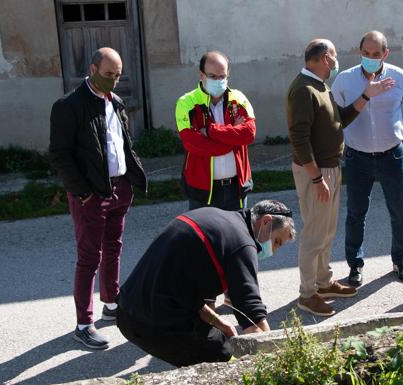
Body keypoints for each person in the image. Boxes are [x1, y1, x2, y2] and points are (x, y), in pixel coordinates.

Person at [286, 38, 394, 316]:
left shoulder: (321, 86)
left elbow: (339, 121)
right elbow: (299, 139)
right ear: (323, 58)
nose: (336, 61)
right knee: (314, 234)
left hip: (329, 168)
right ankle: (307, 294)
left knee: (326, 230)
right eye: (333, 56)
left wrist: (367, 95)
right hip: (317, 172)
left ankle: (323, 282)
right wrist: (315, 178)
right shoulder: (303, 89)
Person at [116, 200, 296, 366]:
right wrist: (277, 363)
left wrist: (218, 322)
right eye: (277, 242)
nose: (273, 250)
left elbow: (178, 285)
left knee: (215, 342)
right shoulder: (242, 244)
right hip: (152, 321)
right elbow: (252, 314)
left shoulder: (213, 217)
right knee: (225, 356)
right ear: (266, 221)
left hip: (126, 311)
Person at [49, 47, 147, 349]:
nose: (114, 82)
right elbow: (60, 155)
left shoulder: (115, 102)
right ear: (92, 69)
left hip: (119, 188)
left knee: (113, 247)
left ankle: (112, 303)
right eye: (108, 75)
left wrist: (130, 178)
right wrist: (83, 192)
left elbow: (121, 144)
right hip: (91, 194)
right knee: (89, 257)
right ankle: (83, 324)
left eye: (117, 76)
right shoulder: (69, 105)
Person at [331, 31, 403, 287]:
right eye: (366, 53)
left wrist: (396, 133)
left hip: (392, 154)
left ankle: (401, 260)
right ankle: (355, 265)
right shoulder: (344, 80)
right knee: (356, 213)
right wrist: (366, 95)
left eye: (376, 54)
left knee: (400, 212)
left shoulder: (400, 77)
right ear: (360, 52)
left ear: (385, 54)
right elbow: (337, 117)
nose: (370, 58)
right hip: (357, 157)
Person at [175, 51, 256, 211]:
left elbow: (249, 133)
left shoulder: (238, 98)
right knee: (203, 236)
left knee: (237, 236)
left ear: (228, 75)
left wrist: (211, 131)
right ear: (201, 75)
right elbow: (194, 144)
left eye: (222, 76)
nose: (218, 81)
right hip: (203, 192)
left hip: (236, 188)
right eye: (212, 76)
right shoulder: (186, 103)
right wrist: (232, 136)